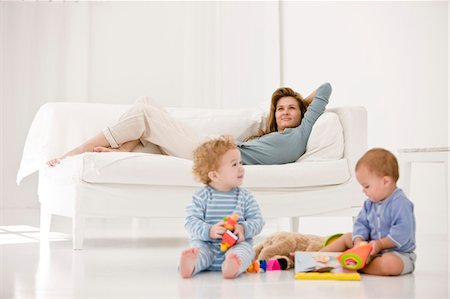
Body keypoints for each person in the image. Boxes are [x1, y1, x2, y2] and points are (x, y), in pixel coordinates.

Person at [47, 83, 332, 166]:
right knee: (145, 101)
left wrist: (300, 101)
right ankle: (122, 152)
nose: (284, 112)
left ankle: (79, 150)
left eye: (291, 108)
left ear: (302, 112)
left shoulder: (300, 135)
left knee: (145, 112)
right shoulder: (271, 134)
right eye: (280, 108)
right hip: (210, 146)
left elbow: (325, 88)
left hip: (212, 154)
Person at [178, 135, 265, 279]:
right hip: (207, 245)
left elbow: (258, 221)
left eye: (240, 162)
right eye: (234, 164)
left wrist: (243, 228)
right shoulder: (201, 196)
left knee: (245, 252)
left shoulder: (245, 196)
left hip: (236, 246)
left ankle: (232, 266)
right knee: (200, 252)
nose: (241, 168)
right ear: (214, 175)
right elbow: (190, 222)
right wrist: (209, 230)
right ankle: (190, 265)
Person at [320, 148, 416, 276]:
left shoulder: (400, 203)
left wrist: (381, 244)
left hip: (398, 254)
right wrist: (359, 240)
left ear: (385, 182)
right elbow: (361, 224)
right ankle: (315, 256)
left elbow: (403, 232)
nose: (363, 191)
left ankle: (352, 265)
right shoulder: (369, 204)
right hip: (370, 250)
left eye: (366, 186)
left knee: (390, 264)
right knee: (347, 237)